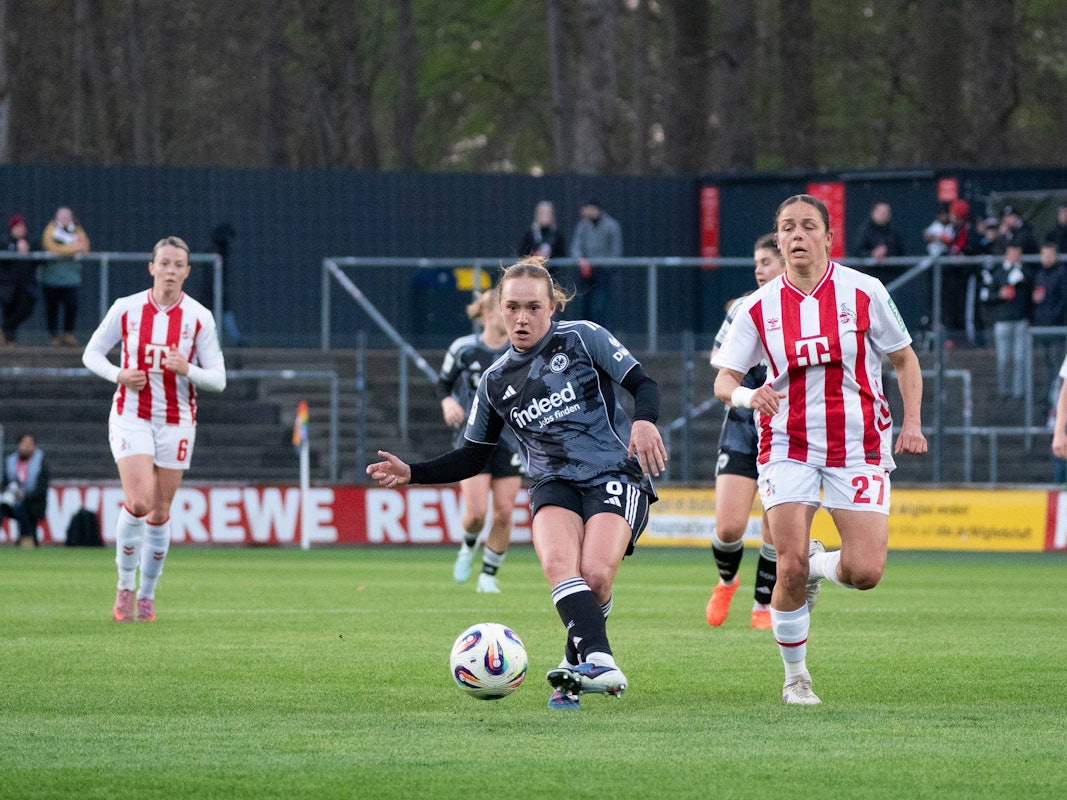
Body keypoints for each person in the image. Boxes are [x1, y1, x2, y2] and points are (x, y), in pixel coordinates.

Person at [367, 255, 666, 710]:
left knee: (597, 576)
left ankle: (572, 672)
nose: (521, 317)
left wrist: (644, 422)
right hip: (552, 481)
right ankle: (600, 660)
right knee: (559, 566)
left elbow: (644, 384)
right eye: (512, 307)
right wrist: (414, 473)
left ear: (552, 308)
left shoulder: (584, 338)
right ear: (498, 309)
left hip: (614, 472)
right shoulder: (493, 382)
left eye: (532, 307)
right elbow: (472, 456)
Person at [712, 194, 927, 705]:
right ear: (779, 238)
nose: (797, 236)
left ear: (829, 238)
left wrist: (912, 422)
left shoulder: (866, 291)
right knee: (787, 566)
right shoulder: (756, 307)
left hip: (859, 445)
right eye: (788, 228)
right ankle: (796, 679)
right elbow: (725, 379)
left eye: (809, 226)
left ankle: (818, 568)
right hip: (787, 443)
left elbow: (905, 360)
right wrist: (747, 394)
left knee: (865, 572)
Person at [82, 236, 226, 623]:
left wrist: (188, 369)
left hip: (178, 420)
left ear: (187, 272)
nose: (171, 271)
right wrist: (118, 374)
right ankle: (125, 585)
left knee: (160, 511)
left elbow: (219, 379)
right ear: (152, 267)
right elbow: (91, 353)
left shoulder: (199, 317)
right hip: (132, 414)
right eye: (164, 263)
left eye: (178, 265)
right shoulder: (126, 309)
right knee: (141, 501)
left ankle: (147, 595)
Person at [705, 234, 785, 630]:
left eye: (767, 261)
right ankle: (726, 581)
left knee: (775, 525)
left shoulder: (806, 310)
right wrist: (747, 382)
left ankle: (762, 604)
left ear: (787, 263)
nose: (759, 268)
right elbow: (718, 361)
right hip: (742, 424)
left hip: (788, 427)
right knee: (729, 526)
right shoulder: (741, 309)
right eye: (756, 261)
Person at [437, 286, 524, 594]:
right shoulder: (464, 348)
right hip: (472, 437)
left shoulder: (521, 348)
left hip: (511, 439)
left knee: (503, 510)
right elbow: (443, 384)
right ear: (489, 313)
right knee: (476, 514)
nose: (514, 315)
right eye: (507, 308)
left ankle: (489, 574)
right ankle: (468, 545)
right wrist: (448, 402)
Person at [979, 243, 1032, 400]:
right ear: (1006, 254)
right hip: (1002, 320)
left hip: (1020, 320)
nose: (1015, 255)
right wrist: (999, 294)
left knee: (1019, 358)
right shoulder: (998, 273)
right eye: (1012, 252)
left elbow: (1031, 291)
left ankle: (1018, 392)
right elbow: (986, 296)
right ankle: (1004, 391)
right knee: (1002, 359)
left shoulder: (1025, 272)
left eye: (1018, 252)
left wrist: (1021, 278)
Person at [40, 206, 91, 346]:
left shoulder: (77, 230)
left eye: (67, 217)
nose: (65, 220)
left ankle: (68, 334)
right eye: (62, 217)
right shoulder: (50, 230)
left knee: (71, 305)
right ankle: (53, 336)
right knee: (52, 307)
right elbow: (51, 247)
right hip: (52, 279)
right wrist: (73, 250)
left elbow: (85, 247)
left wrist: (66, 251)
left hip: (71, 279)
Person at [1030, 242, 1067, 426]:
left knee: (1056, 371)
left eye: (1048, 254)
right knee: (1047, 369)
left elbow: (1062, 301)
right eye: (1043, 254)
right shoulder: (1040, 274)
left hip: (1056, 330)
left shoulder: (1061, 274)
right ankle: (1047, 409)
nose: (1045, 258)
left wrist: (1052, 318)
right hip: (1042, 329)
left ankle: (1054, 411)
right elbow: (1037, 298)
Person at [569, 198, 623, 324]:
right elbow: (575, 246)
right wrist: (580, 259)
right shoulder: (583, 225)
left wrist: (599, 262)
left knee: (600, 307)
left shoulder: (611, 225)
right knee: (583, 306)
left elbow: (616, 252)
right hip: (586, 273)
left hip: (603, 273)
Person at [1, 433, 50, 549]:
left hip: (33, 501)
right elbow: (5, 483)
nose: (27, 446)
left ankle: (27, 538)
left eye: (30, 443)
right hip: (12, 499)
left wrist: (26, 496)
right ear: (19, 445)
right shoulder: (10, 461)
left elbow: (42, 487)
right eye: (24, 443)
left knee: (22, 508)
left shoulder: (40, 461)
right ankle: (27, 539)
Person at [1, 215, 40, 347]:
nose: (20, 229)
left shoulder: (31, 241)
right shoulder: (5, 241)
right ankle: (9, 340)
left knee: (25, 308)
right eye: (17, 227)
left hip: (26, 285)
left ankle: (4, 330)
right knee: (9, 311)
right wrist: (16, 250)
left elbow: (40, 254)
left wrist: (27, 251)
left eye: (22, 227)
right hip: (8, 285)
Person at [518, 201, 567, 266]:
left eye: (548, 213)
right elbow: (522, 254)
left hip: (552, 272)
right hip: (533, 272)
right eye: (542, 213)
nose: (546, 215)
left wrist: (549, 255)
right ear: (537, 214)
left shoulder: (557, 234)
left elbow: (563, 255)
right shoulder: (530, 234)